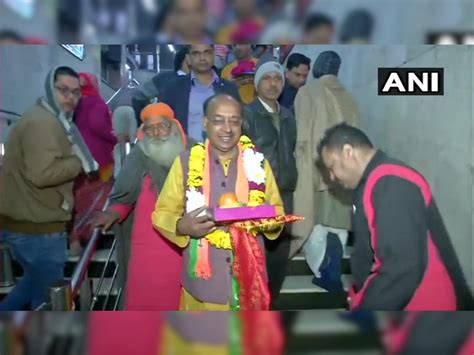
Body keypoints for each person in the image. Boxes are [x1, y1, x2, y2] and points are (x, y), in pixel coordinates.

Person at [318, 123, 473, 310]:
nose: (332, 177)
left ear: (348, 151)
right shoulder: (375, 183)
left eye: (332, 167)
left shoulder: (391, 181)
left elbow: (401, 267)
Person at [152, 94, 284, 310]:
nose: (227, 128)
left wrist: (267, 221)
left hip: (249, 282)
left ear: (241, 123)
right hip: (202, 286)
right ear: (205, 122)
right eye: (218, 120)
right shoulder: (186, 162)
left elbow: (277, 210)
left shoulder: (258, 163)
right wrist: (180, 226)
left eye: (234, 120)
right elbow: (162, 212)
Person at [0, 66, 98, 310]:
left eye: (76, 92)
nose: (70, 98)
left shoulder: (49, 118)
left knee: (31, 285)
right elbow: (42, 175)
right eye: (63, 90)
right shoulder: (44, 123)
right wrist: (77, 162)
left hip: (30, 221)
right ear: (48, 88)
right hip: (38, 228)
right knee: (48, 302)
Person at [94, 103, 190, 311]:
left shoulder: (193, 154)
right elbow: (125, 197)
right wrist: (113, 212)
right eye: (150, 128)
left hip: (182, 246)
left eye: (162, 126)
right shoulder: (137, 157)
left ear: (173, 127)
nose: (156, 132)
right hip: (146, 250)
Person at [291, 51, 359, 292]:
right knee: (338, 223)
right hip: (345, 174)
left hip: (316, 169)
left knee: (314, 223)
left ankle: (325, 270)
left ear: (318, 67)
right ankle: (335, 261)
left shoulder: (307, 92)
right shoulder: (350, 98)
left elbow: (300, 134)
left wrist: (298, 166)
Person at [243, 60, 297, 304]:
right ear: (257, 84)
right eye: (267, 78)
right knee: (254, 253)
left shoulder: (288, 115)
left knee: (279, 255)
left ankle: (270, 304)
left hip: (284, 191)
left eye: (278, 78)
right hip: (256, 193)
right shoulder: (247, 114)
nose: (273, 83)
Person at [69, 72, 118, 254]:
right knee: (98, 198)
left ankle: (75, 240)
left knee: (80, 199)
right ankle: (91, 239)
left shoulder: (75, 104)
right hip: (99, 159)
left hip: (78, 158)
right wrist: (112, 138)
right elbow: (98, 125)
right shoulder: (97, 102)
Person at [159, 44, 239, 143]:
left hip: (222, 152)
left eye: (207, 52)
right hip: (184, 153)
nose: (202, 58)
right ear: (188, 59)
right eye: (196, 54)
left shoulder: (229, 89)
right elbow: (162, 121)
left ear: (213, 55)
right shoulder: (173, 88)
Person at [131, 46, 190, 125]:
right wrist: (148, 118)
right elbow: (139, 96)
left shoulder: (204, 80)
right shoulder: (164, 79)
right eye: (196, 54)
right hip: (167, 130)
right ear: (187, 58)